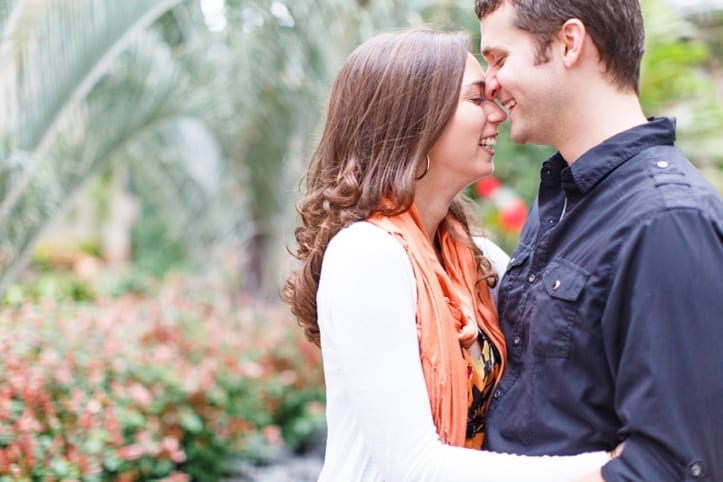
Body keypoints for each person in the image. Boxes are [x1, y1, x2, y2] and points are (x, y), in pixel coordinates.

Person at [283, 27, 613, 481]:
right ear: (415, 119)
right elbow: (413, 466)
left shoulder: (479, 261)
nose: (496, 114)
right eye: (476, 100)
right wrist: (604, 470)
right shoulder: (365, 255)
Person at [475, 1, 723, 480]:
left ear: (569, 43)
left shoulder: (667, 220)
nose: (490, 83)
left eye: (500, 59)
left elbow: (675, 463)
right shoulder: (563, 199)